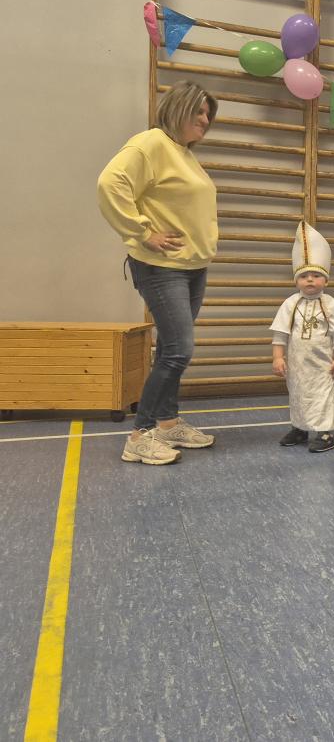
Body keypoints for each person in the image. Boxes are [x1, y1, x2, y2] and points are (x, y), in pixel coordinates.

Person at [98, 81, 220, 466]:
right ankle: (140, 435)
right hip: (162, 268)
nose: (205, 120)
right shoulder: (150, 143)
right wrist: (142, 232)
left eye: (208, 114)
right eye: (199, 111)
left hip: (191, 266)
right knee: (180, 350)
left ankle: (167, 423)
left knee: (170, 348)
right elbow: (110, 184)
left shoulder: (184, 154)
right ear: (178, 109)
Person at [271, 222, 334, 453]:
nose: (310, 280)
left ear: (326, 280)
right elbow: (280, 333)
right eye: (304, 276)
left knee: (322, 395)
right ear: (296, 280)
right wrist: (278, 357)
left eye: (316, 275)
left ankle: (325, 432)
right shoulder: (290, 304)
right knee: (297, 394)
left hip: (322, 364)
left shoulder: (331, 304)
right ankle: (300, 427)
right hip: (297, 364)